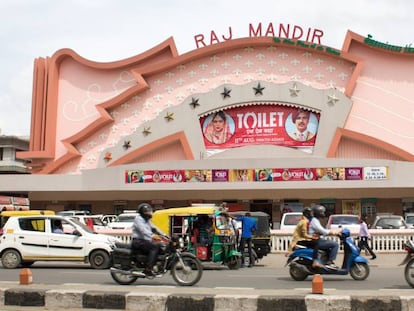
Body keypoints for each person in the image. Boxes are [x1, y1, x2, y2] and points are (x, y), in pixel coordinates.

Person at [131, 203, 166, 276]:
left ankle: (156, 265)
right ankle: (148, 269)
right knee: (154, 246)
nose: (149, 212)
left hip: (145, 241)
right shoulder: (138, 219)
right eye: (147, 211)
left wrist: (164, 235)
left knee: (161, 246)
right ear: (142, 212)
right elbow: (143, 230)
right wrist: (153, 236)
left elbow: (154, 228)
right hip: (138, 241)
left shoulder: (147, 220)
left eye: (149, 211)